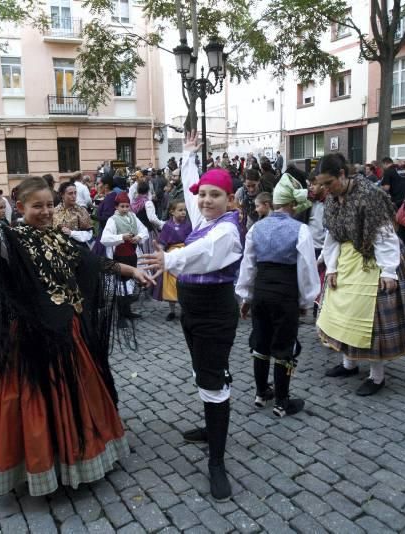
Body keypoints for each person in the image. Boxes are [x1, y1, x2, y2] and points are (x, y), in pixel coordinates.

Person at [0, 143, 154, 496]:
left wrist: (130, 269)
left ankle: (80, 457)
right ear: (19, 208)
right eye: (37, 206)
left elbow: (93, 264)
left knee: (79, 394)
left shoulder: (58, 236)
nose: (45, 211)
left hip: (69, 332)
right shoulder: (13, 239)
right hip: (32, 339)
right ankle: (43, 466)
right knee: (35, 402)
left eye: (49, 205)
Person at [139, 131, 243, 502]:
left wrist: (170, 259)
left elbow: (203, 253)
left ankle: (217, 461)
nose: (205, 200)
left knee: (213, 379)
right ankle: (211, 428)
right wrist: (187, 156)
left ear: (230, 199)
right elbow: (188, 186)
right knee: (203, 372)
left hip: (214, 311)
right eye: (203, 195)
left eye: (214, 195)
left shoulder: (227, 231)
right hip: (192, 308)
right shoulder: (203, 217)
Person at [316, 154, 405, 396]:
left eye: (329, 183)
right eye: (322, 184)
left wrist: (388, 271)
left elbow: (384, 234)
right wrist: (332, 267)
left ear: (343, 175)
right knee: (344, 312)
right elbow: (332, 234)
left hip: (373, 259)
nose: (325, 189)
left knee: (371, 321)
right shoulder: (334, 199)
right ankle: (349, 364)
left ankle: (377, 377)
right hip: (347, 261)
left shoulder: (370, 195)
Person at [236, 174, 319, 418]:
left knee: (261, 341)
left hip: (261, 291)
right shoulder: (300, 230)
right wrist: (305, 301)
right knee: (284, 345)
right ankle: (282, 401)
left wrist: (246, 298)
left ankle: (261, 392)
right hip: (285, 293)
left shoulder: (256, 228)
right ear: (292, 205)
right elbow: (306, 269)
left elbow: (248, 265)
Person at [101, 192, 149, 325]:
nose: (125, 209)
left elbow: (143, 230)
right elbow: (105, 239)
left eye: (127, 206)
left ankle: (127, 311)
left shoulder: (133, 216)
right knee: (120, 285)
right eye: (122, 206)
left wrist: (138, 237)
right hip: (119, 256)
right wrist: (121, 237)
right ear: (116, 207)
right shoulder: (112, 220)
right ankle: (120, 317)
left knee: (129, 284)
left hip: (132, 254)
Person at [152, 200, 192, 321]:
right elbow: (163, 243)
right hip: (171, 256)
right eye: (180, 210)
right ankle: (172, 310)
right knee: (171, 283)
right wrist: (160, 254)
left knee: (185, 283)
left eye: (184, 210)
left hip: (184, 255)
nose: (183, 212)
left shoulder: (189, 225)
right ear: (172, 212)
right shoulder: (168, 226)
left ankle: (185, 309)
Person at [131, 181, 164, 253]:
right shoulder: (147, 202)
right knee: (150, 250)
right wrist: (161, 224)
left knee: (141, 250)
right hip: (148, 230)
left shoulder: (134, 202)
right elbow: (152, 218)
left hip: (138, 230)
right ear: (148, 190)